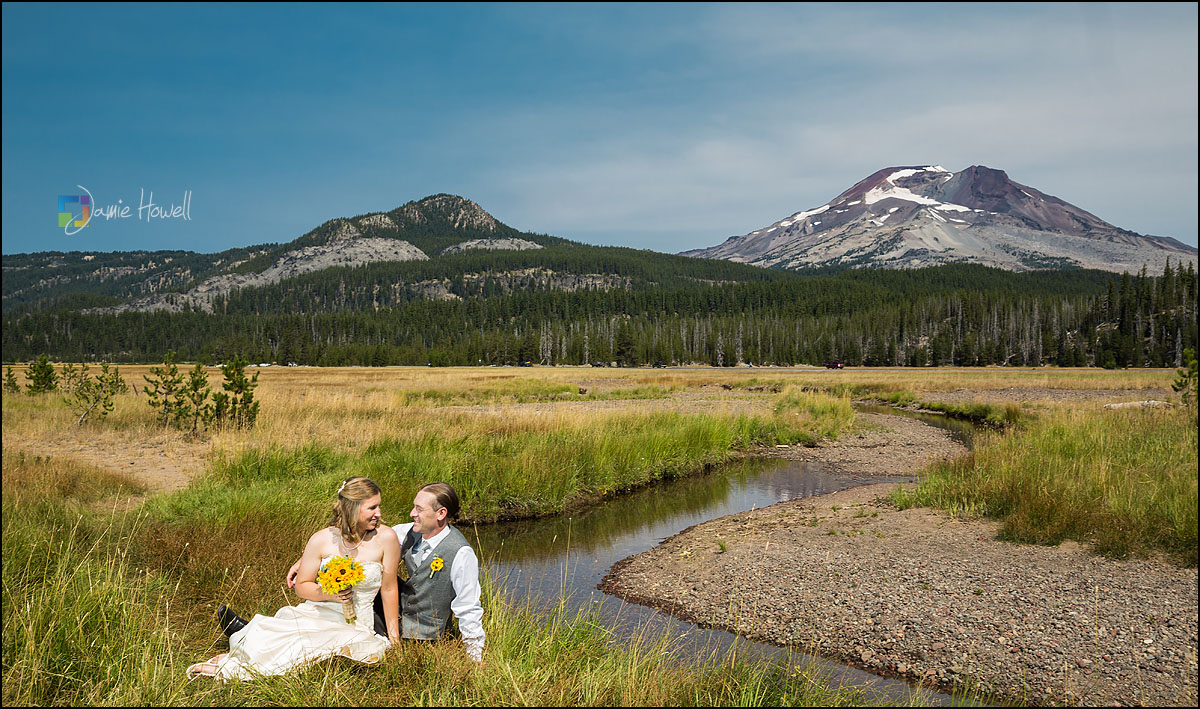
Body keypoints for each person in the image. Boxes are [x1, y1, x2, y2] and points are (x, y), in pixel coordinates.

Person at [187, 477, 401, 680]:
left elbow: (389, 589)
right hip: (321, 611)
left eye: (379, 506)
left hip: (359, 622)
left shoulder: (386, 538)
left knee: (335, 649)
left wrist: (395, 640)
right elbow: (302, 586)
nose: (379, 513)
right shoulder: (322, 539)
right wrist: (331, 594)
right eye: (372, 508)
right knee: (292, 641)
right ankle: (240, 656)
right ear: (352, 508)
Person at [286, 482, 485, 662]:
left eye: (419, 509)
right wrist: (305, 560)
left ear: (441, 514)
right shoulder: (408, 531)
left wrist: (474, 657)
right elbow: (353, 540)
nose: (411, 513)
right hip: (384, 621)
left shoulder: (461, 553)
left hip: (425, 635)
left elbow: (468, 607)